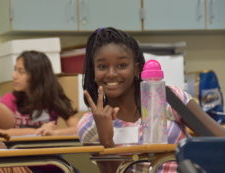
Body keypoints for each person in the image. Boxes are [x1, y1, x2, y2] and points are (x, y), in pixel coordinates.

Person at [77, 27, 225, 173]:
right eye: (102, 66)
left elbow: (219, 139)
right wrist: (106, 140)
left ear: (136, 69)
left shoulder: (168, 97)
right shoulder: (90, 124)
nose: (111, 74)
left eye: (122, 65)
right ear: (93, 72)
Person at [0, 50, 79, 137]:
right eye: (15, 70)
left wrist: (55, 132)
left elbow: (78, 128)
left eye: (21, 72)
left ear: (37, 75)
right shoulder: (9, 99)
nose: (14, 76)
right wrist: (35, 132)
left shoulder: (53, 98)